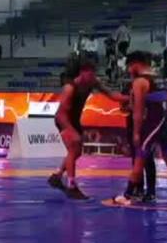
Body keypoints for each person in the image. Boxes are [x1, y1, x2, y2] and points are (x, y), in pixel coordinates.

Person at [112, 52, 167, 207]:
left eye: (129, 67)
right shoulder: (157, 77)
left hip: (154, 124)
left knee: (139, 158)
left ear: (135, 64)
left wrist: (136, 132)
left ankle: (127, 196)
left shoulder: (140, 82)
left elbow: (138, 110)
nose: (128, 71)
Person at [49, 59, 126, 200]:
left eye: (94, 73)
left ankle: (57, 176)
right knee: (73, 149)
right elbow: (60, 114)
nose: (92, 77)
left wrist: (129, 98)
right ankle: (71, 186)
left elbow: (112, 95)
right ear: (82, 73)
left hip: (74, 120)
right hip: (63, 121)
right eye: (90, 74)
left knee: (77, 152)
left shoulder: (93, 82)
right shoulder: (70, 87)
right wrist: (70, 130)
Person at [121, 98, 157, 203]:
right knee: (136, 159)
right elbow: (123, 107)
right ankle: (139, 188)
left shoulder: (146, 93)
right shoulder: (130, 91)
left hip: (146, 126)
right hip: (133, 126)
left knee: (148, 159)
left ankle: (151, 191)